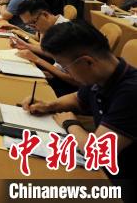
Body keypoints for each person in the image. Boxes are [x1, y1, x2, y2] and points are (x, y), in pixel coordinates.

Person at [21, 21, 137, 182]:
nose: (67, 72)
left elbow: (99, 152)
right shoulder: (104, 73)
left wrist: (70, 124)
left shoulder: (131, 92)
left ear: (87, 61)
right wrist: (49, 105)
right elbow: (77, 99)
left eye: (65, 67)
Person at [13, 0, 78, 96]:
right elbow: (53, 55)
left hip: (69, 89)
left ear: (45, 15)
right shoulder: (55, 26)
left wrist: (36, 59)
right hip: (57, 76)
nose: (33, 28)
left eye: (33, 23)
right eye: (28, 25)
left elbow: (74, 80)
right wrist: (26, 46)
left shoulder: (66, 34)